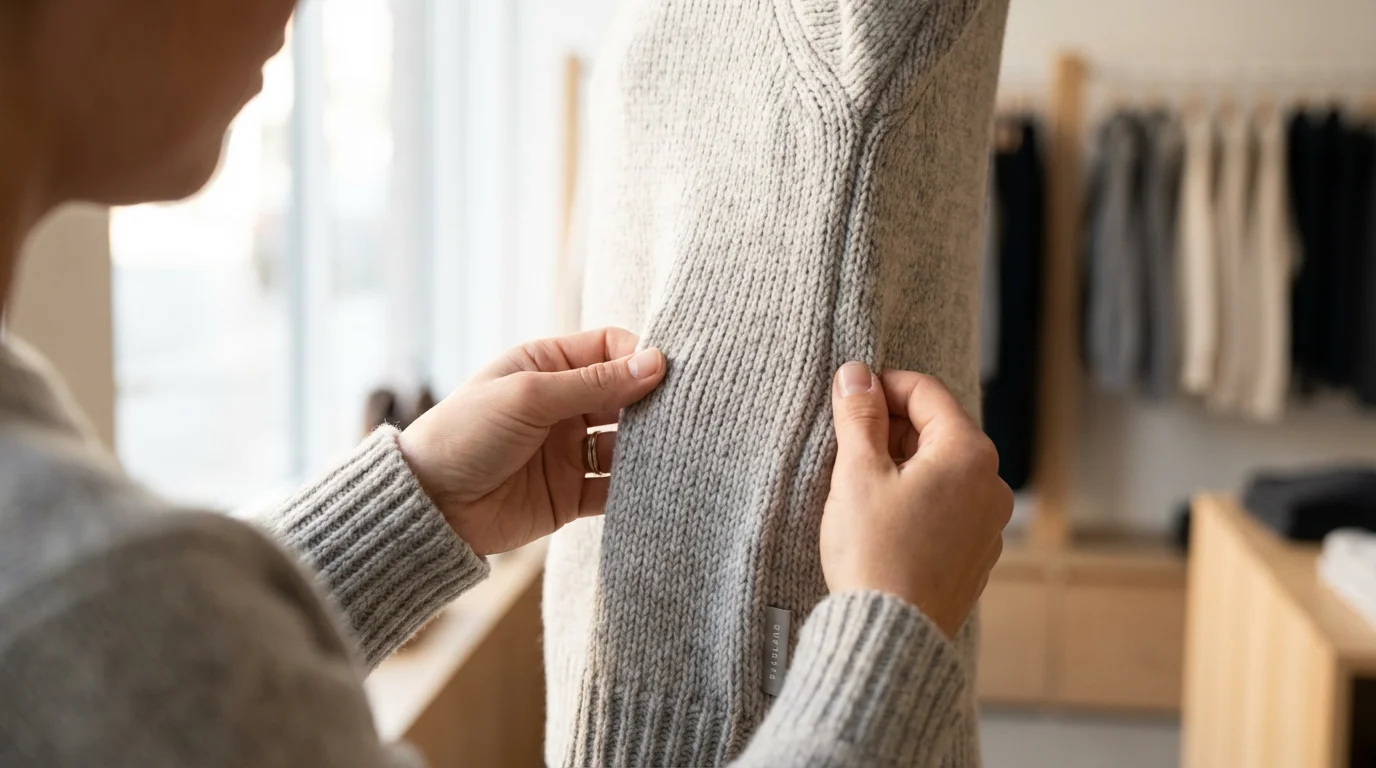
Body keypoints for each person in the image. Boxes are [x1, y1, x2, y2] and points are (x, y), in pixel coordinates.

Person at [0, 1, 1014, 766]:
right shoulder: (81, 608)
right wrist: (888, 634)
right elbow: (114, 644)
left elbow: (151, 675)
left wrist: (409, 506)